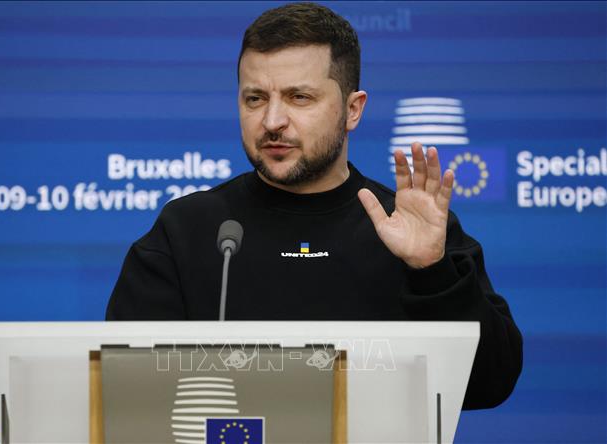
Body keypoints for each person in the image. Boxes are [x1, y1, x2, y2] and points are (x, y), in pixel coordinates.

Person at [106, 2, 522, 409]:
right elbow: (125, 392)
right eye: (255, 99)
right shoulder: (187, 229)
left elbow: (490, 385)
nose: (272, 121)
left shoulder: (411, 227)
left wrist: (432, 271)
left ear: (353, 110)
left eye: (299, 97)